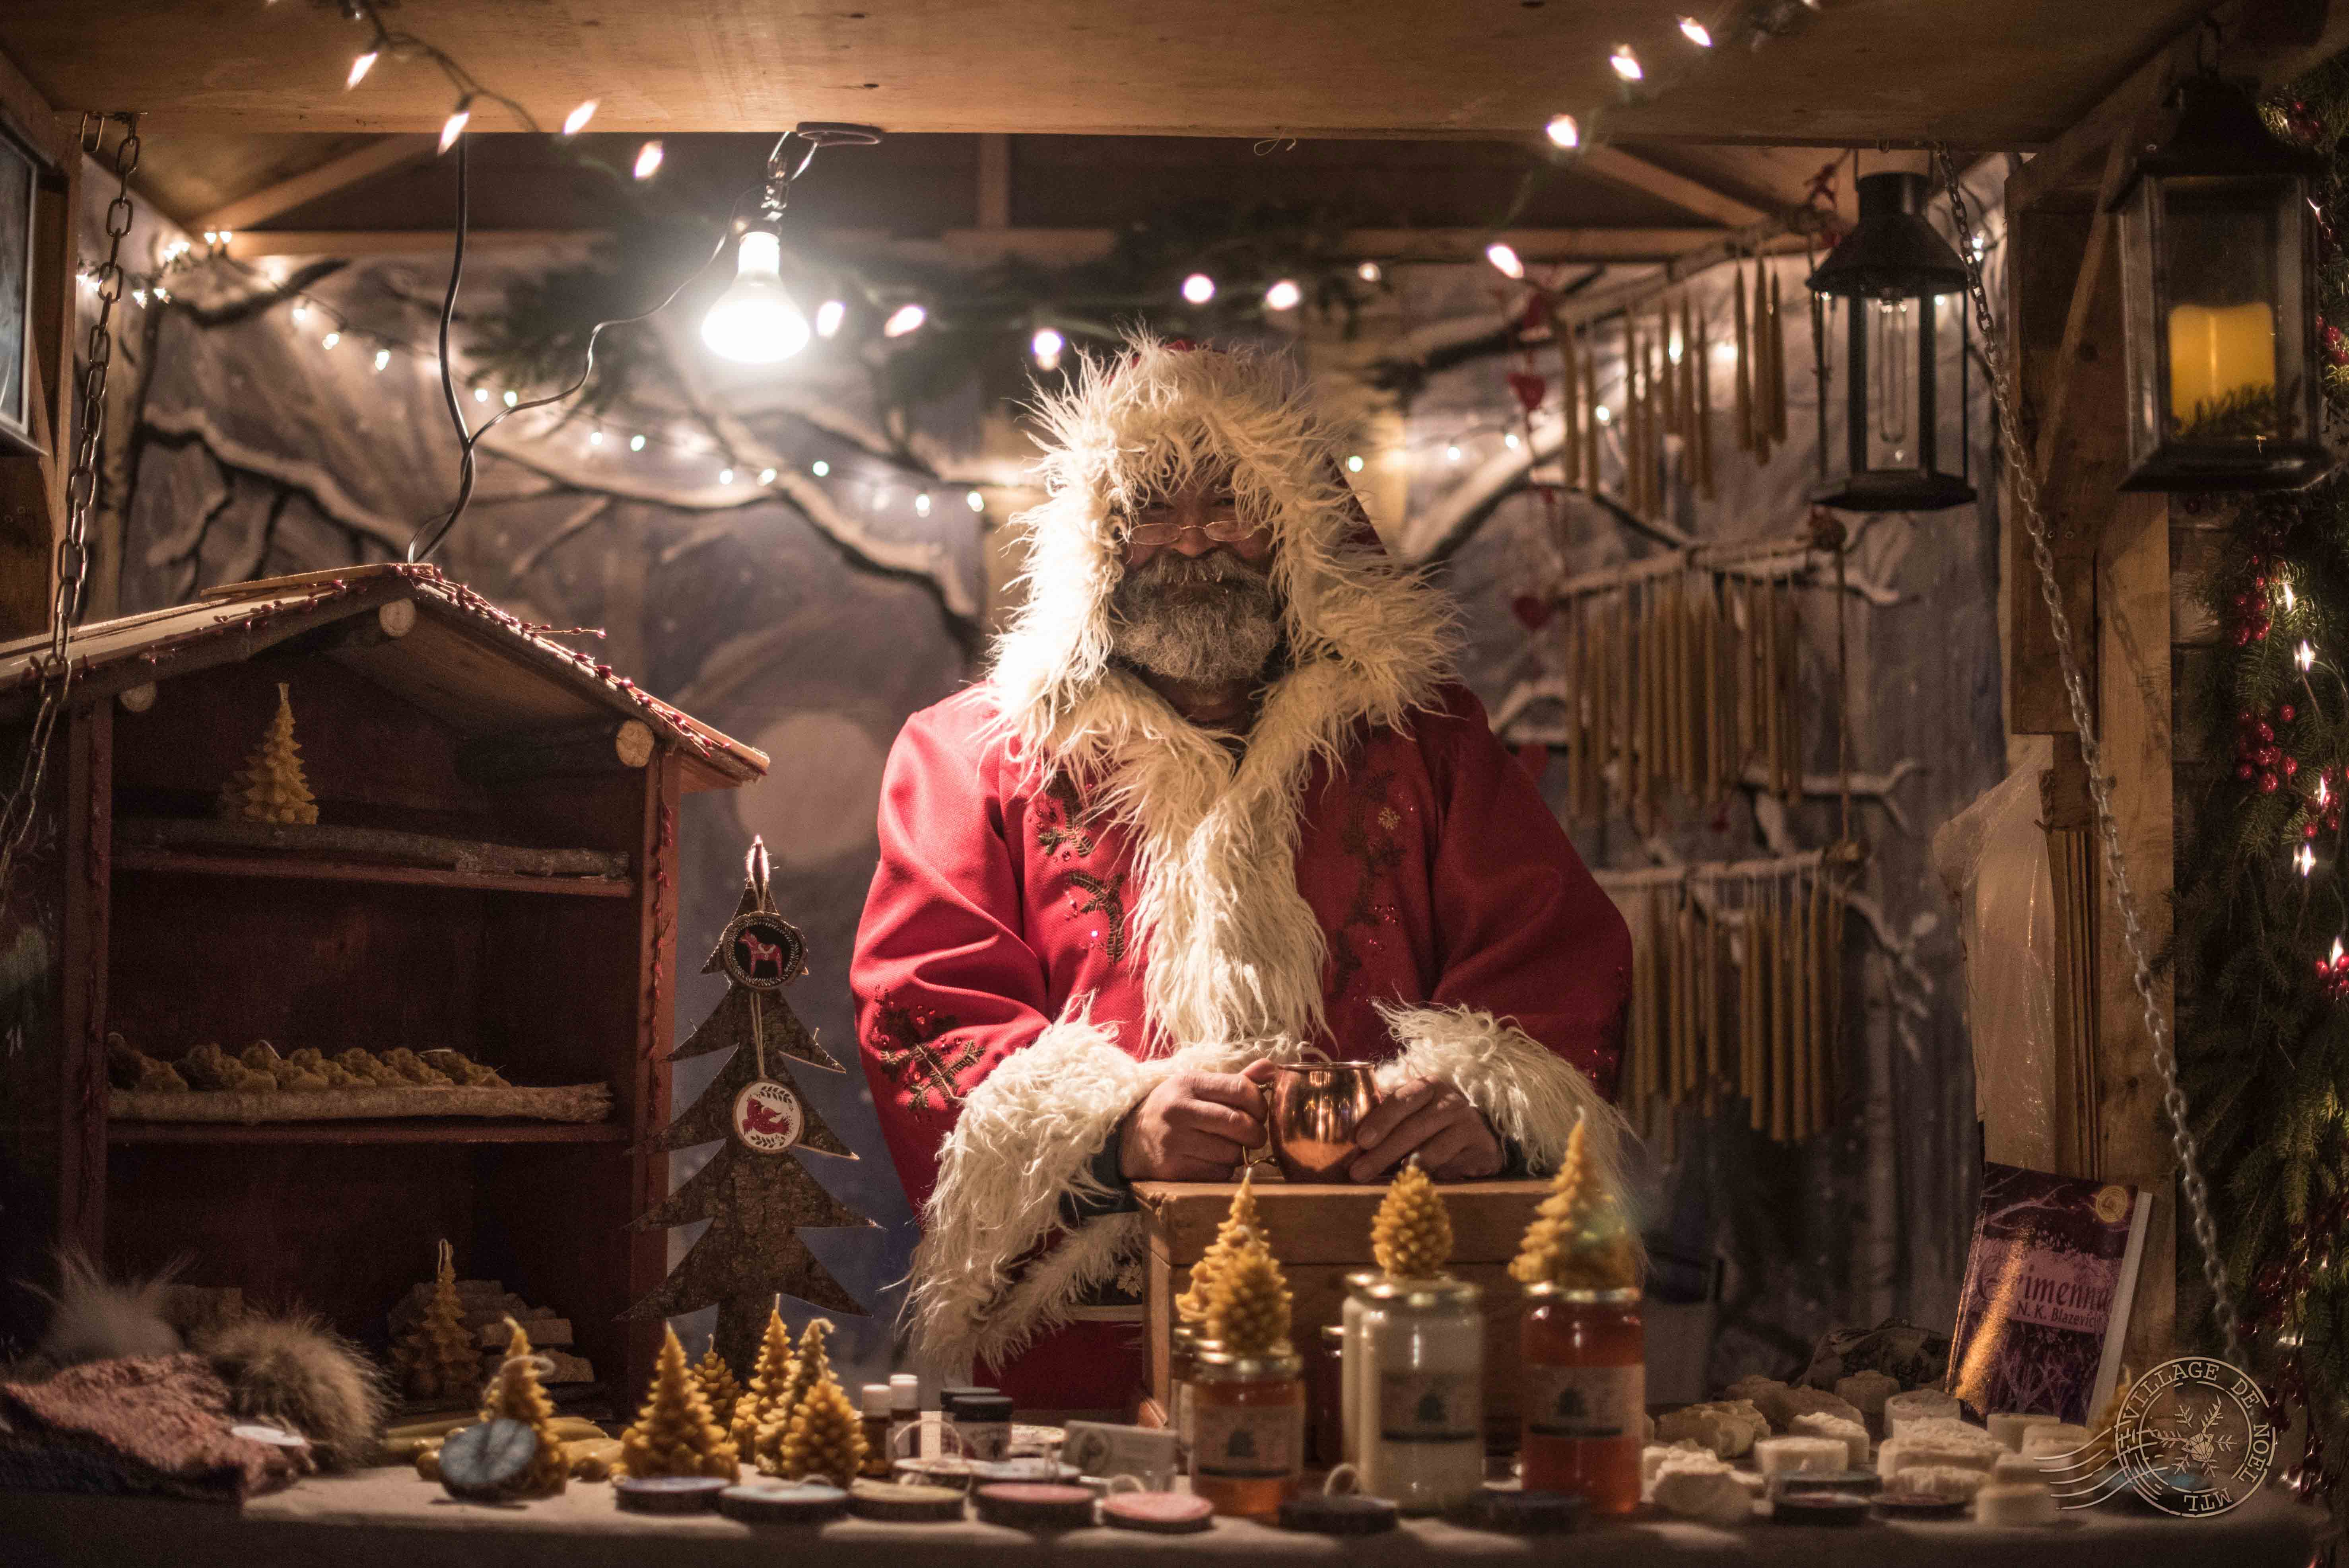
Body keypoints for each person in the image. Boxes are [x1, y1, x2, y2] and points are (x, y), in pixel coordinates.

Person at [852, 335, 1632, 1406]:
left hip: (1389, 1315)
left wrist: (1481, 1108)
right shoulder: (970, 757)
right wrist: (1113, 1134)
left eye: (1229, 506)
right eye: (1149, 510)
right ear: (1096, 540)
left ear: (1296, 527)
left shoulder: (1424, 740)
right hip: (1091, 1332)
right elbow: (923, 1009)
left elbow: (1553, 960)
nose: (1190, 543)